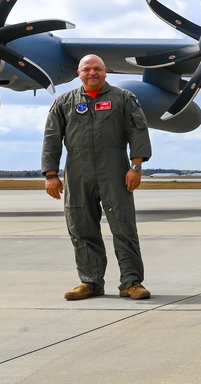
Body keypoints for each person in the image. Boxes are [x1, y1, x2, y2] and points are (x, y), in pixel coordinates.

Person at [42, 54, 153, 301]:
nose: (93, 73)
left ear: (106, 72)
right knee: (81, 227)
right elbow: (51, 138)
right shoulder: (64, 102)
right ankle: (90, 282)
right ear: (78, 73)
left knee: (123, 226)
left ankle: (131, 283)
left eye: (98, 69)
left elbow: (138, 131)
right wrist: (51, 174)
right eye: (87, 69)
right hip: (77, 170)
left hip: (114, 169)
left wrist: (136, 166)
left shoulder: (123, 99)